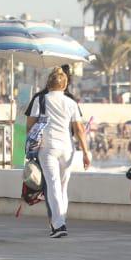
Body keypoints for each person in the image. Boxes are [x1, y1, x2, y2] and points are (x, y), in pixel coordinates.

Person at [28, 66, 89, 238]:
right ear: (64, 85)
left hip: (48, 147)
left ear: (49, 83)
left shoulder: (40, 100)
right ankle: (61, 221)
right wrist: (85, 152)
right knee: (63, 187)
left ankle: (59, 225)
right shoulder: (71, 102)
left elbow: (30, 126)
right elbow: (79, 129)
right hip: (67, 148)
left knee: (53, 185)